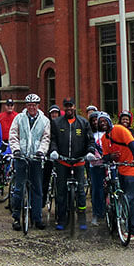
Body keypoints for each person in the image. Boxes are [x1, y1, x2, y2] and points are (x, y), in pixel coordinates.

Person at [48, 98, 96, 230]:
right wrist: (53, 151)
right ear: (64, 108)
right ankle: (62, 219)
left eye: (71, 106)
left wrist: (90, 151)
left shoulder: (83, 122)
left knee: (81, 191)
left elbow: (90, 140)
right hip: (62, 161)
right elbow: (53, 139)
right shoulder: (57, 123)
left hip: (79, 161)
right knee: (61, 191)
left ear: (75, 107)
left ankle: (81, 219)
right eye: (66, 106)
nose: (69, 108)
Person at [8, 93, 51, 231]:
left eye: (34, 105)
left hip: (36, 158)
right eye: (29, 105)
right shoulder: (19, 118)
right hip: (21, 157)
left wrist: (41, 151)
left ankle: (37, 218)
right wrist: (16, 150)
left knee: (37, 188)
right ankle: (16, 217)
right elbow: (13, 135)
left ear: (38, 106)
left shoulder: (44, 120)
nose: (32, 107)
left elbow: (46, 138)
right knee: (19, 187)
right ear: (26, 106)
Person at [97, 113, 134, 240]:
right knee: (121, 198)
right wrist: (110, 157)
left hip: (132, 168)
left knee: (131, 200)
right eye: (100, 122)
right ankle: (122, 224)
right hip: (120, 169)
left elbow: (132, 144)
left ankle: (133, 230)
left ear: (109, 121)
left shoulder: (120, 129)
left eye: (104, 121)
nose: (102, 124)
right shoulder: (104, 139)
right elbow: (105, 157)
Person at [87, 111, 107, 226]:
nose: (95, 122)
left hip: (109, 164)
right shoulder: (90, 134)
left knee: (110, 188)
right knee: (96, 190)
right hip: (95, 165)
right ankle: (96, 213)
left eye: (97, 120)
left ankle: (109, 210)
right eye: (93, 120)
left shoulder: (107, 133)